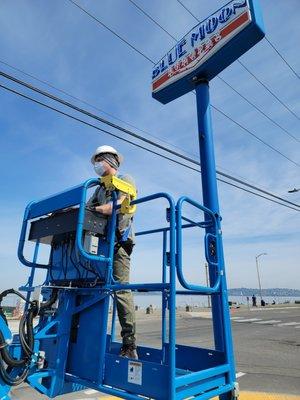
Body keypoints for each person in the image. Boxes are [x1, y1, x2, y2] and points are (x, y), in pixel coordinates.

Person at [87, 145, 138, 359]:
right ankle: (89, 339)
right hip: (101, 243)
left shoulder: (126, 179)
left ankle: (129, 342)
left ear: (110, 160)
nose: (97, 165)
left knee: (121, 290)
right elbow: (87, 206)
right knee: (92, 287)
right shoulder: (99, 188)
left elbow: (118, 204)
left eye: (100, 160)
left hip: (118, 243)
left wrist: (97, 209)